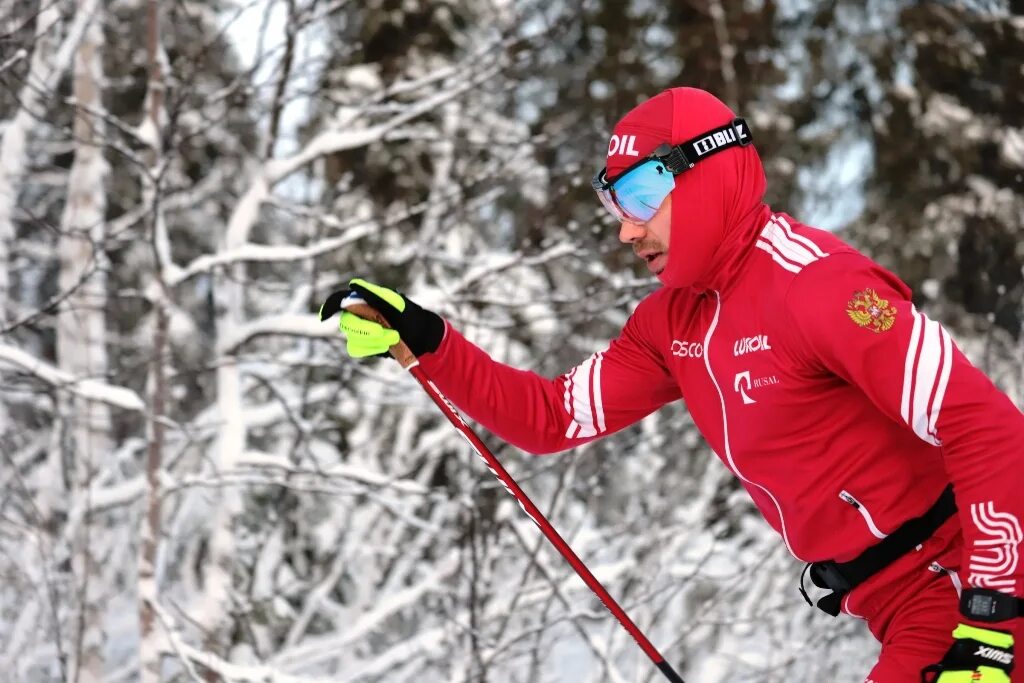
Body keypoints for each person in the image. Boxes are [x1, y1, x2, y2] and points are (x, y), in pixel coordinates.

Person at [320, 87, 1024, 682]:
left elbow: (986, 426)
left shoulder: (818, 285)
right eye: (614, 205)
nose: (627, 230)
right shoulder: (672, 324)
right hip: (895, 602)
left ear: (708, 172)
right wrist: (429, 341)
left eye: (642, 194)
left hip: (969, 583)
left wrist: (992, 619)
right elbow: (551, 415)